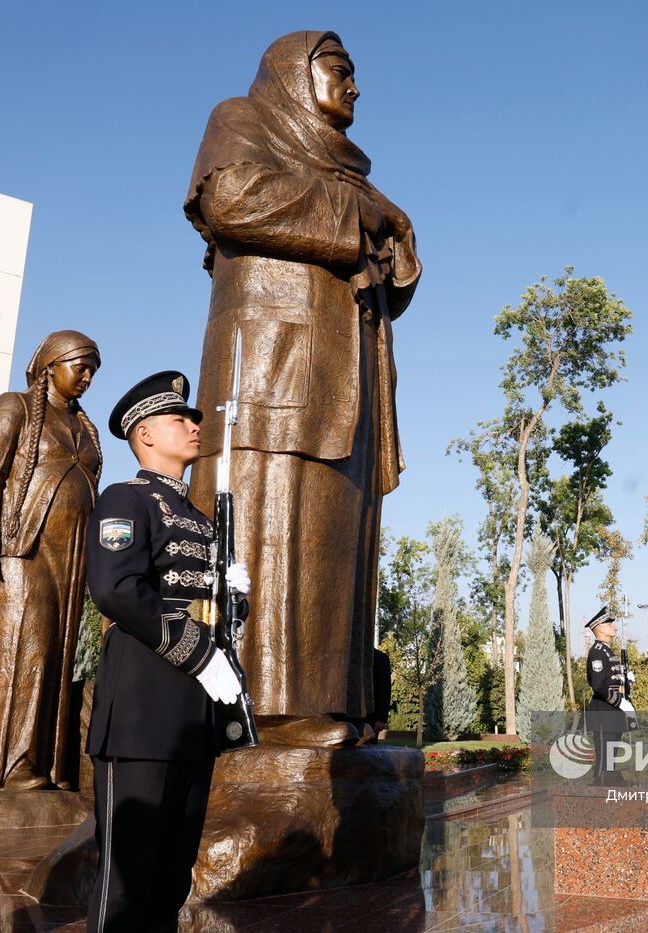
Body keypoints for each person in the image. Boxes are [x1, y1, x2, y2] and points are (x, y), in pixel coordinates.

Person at [184, 30, 421, 748]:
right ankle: (269, 711)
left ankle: (335, 703)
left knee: (330, 539)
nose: (355, 87)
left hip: (348, 379)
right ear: (296, 73)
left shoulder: (353, 178)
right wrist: (360, 217)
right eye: (340, 71)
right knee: (270, 523)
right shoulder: (244, 119)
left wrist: (392, 231)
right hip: (274, 370)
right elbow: (232, 198)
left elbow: (391, 269)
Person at [85, 371, 247, 932]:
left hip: (192, 715)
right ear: (146, 434)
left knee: (171, 879)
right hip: (140, 709)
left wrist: (232, 599)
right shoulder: (124, 499)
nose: (195, 425)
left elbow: (208, 611)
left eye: (193, 417)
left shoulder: (203, 521)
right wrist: (196, 650)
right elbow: (116, 589)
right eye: (182, 418)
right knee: (127, 882)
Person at [0, 331, 102, 791]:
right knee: (26, 651)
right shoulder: (14, 407)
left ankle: (45, 762)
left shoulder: (84, 425)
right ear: (52, 364)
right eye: (81, 366)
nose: (88, 377)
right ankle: (12, 763)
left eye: (93, 369)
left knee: (55, 656)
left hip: (71, 557)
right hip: (22, 551)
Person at [585, 607, 629, 784]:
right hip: (604, 710)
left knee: (611, 759)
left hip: (612, 711)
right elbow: (598, 685)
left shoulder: (606, 650)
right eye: (609, 623)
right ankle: (598, 794)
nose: (614, 626)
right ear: (600, 628)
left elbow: (611, 680)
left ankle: (609, 792)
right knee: (604, 761)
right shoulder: (597, 652)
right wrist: (619, 701)